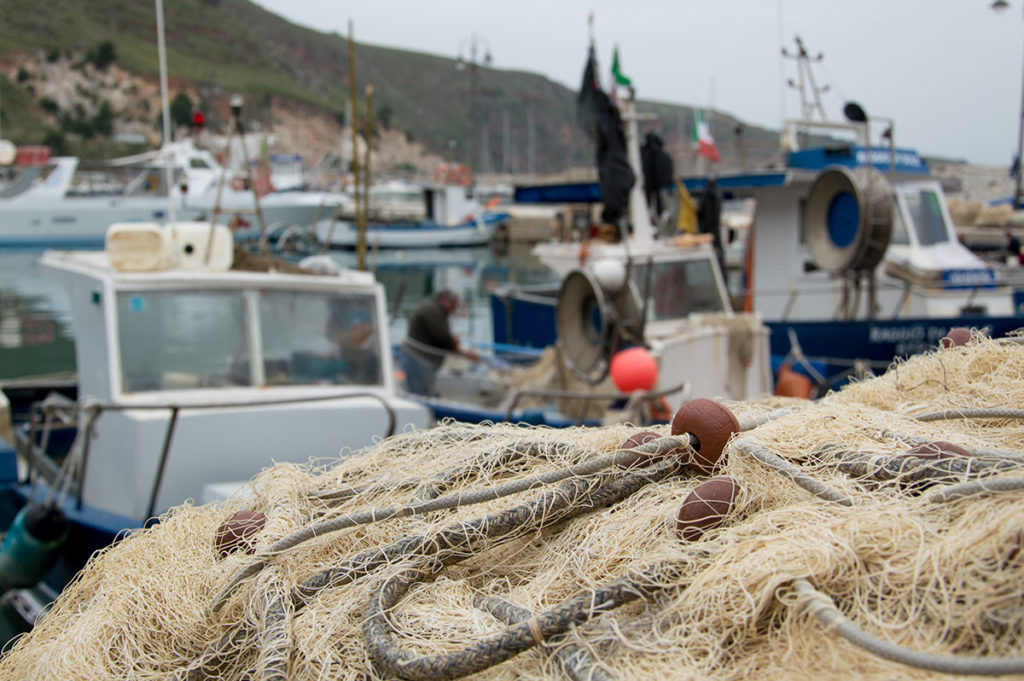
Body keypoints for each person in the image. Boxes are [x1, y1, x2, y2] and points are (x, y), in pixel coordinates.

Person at [400, 290, 479, 395]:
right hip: (419, 359)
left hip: (421, 358)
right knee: (418, 392)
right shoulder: (432, 311)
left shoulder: (434, 308)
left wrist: (453, 343)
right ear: (444, 300)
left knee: (420, 389)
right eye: (453, 304)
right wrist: (461, 352)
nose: (454, 308)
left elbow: (441, 337)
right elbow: (442, 338)